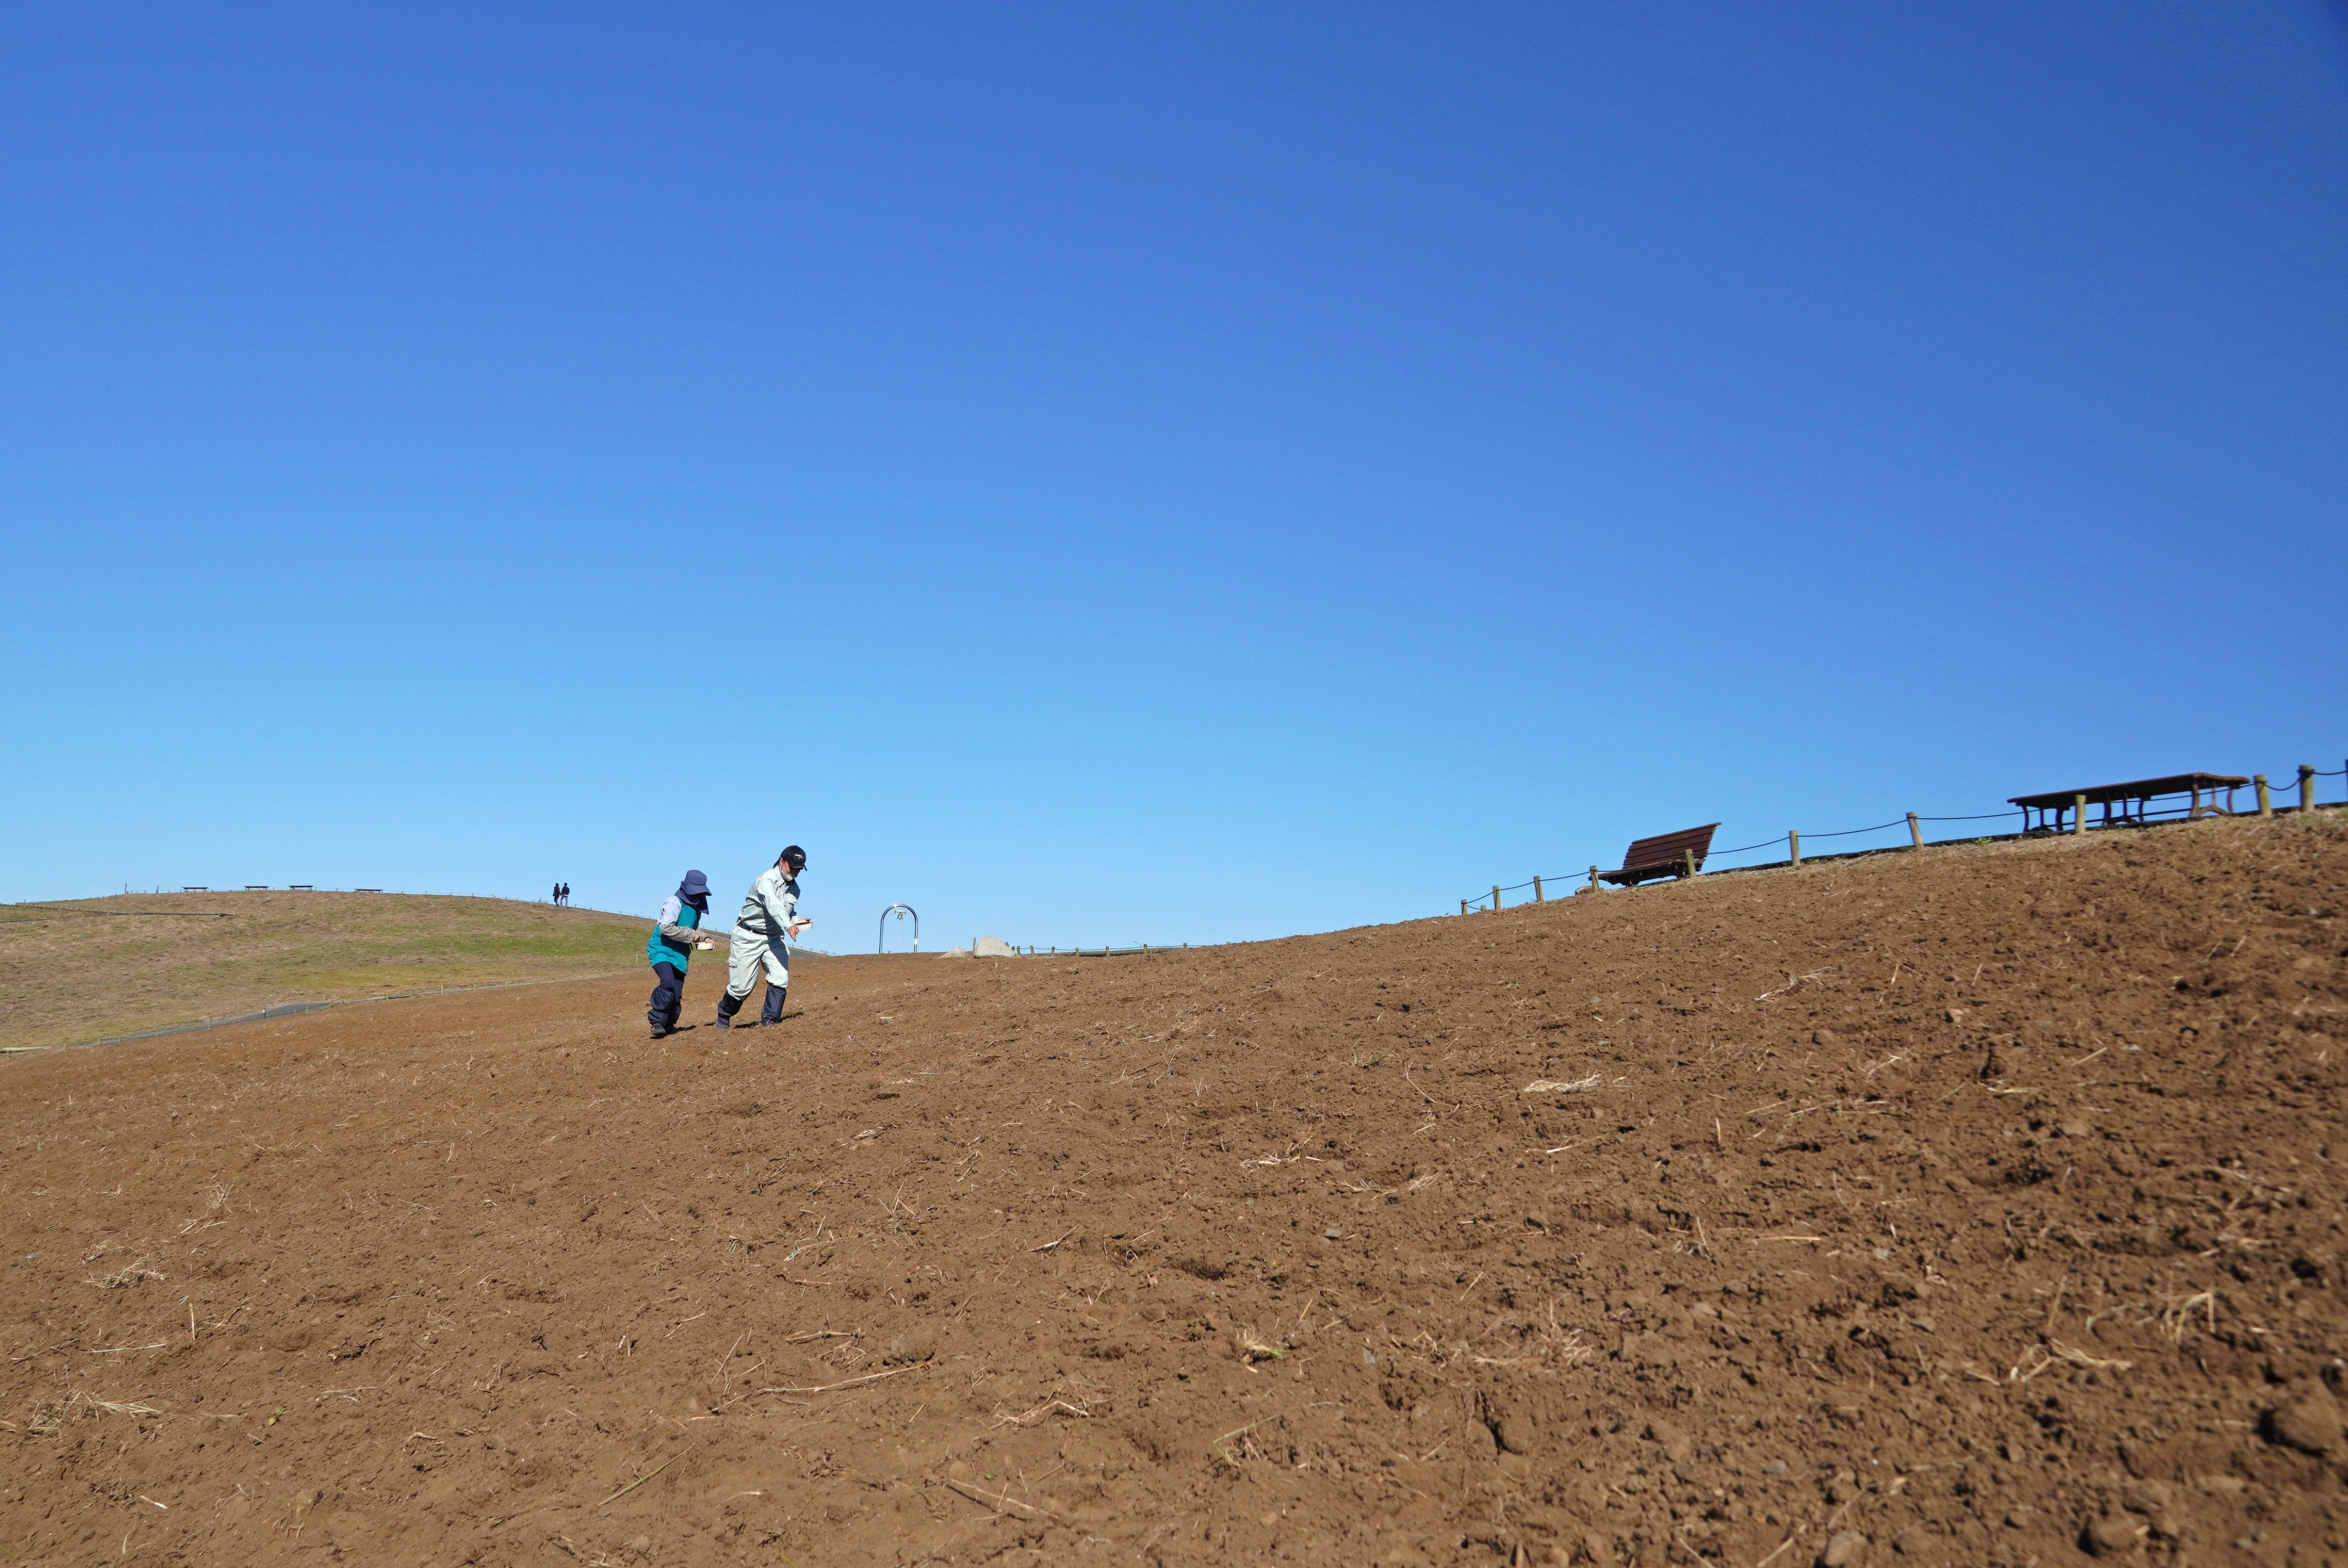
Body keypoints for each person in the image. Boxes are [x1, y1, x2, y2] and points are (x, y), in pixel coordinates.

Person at [717, 845, 810, 1029]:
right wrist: (788, 924)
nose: (796, 872)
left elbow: (786, 912)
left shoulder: (795, 890)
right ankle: (724, 1015)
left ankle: (770, 1022)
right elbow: (773, 905)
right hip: (747, 935)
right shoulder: (765, 881)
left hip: (774, 937)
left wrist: (796, 921)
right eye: (793, 867)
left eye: (800, 869)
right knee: (741, 988)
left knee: (780, 978)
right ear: (782, 861)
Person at [645, 869, 715, 1039]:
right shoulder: (673, 903)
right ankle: (657, 1021)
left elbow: (693, 929)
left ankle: (668, 1024)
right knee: (668, 983)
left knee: (676, 994)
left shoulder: (696, 911)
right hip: (661, 949)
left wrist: (704, 938)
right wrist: (693, 936)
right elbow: (666, 928)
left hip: (680, 954)